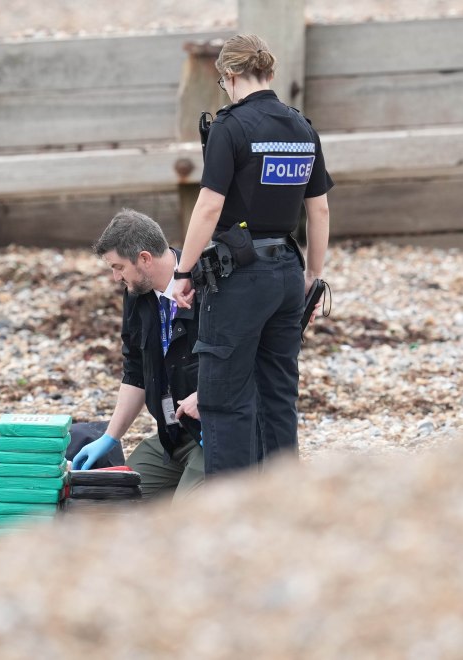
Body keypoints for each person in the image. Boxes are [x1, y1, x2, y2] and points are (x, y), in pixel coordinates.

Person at [172, 34, 332, 476]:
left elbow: (208, 206)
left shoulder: (230, 127)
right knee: (279, 395)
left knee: (224, 400)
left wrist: (183, 272)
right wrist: (312, 277)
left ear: (229, 75)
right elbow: (317, 209)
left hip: (240, 277)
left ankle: (232, 512)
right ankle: (281, 504)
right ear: (271, 73)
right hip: (287, 271)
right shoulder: (302, 127)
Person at [73, 209, 204, 501]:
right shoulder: (136, 292)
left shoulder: (209, 282)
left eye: (118, 267)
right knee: (115, 500)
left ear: (144, 258)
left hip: (216, 431)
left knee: (190, 520)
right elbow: (135, 371)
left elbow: (250, 355)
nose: (115, 276)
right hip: (174, 434)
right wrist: (110, 437)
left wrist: (209, 393)